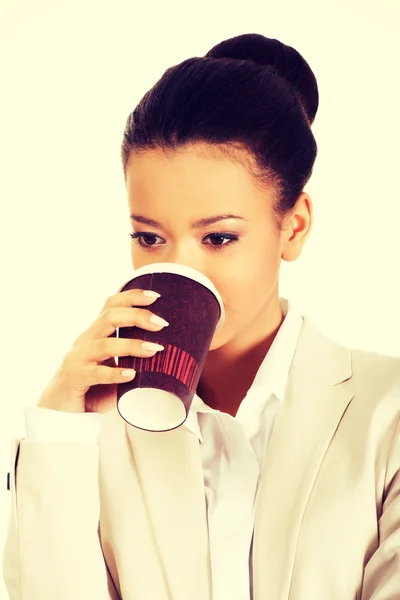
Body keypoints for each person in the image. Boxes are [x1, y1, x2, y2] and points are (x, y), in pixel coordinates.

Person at [2, 32, 400, 600]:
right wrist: (59, 423)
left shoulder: (387, 414)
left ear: (294, 227)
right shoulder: (96, 430)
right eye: (149, 236)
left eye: (218, 237)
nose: (180, 268)